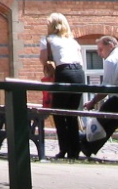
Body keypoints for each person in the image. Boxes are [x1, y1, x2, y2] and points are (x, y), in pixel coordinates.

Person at [39, 12, 85, 159]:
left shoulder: (48, 40)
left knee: (58, 112)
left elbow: (44, 60)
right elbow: (80, 60)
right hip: (79, 74)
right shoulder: (72, 41)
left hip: (63, 72)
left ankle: (64, 148)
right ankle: (75, 150)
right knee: (72, 113)